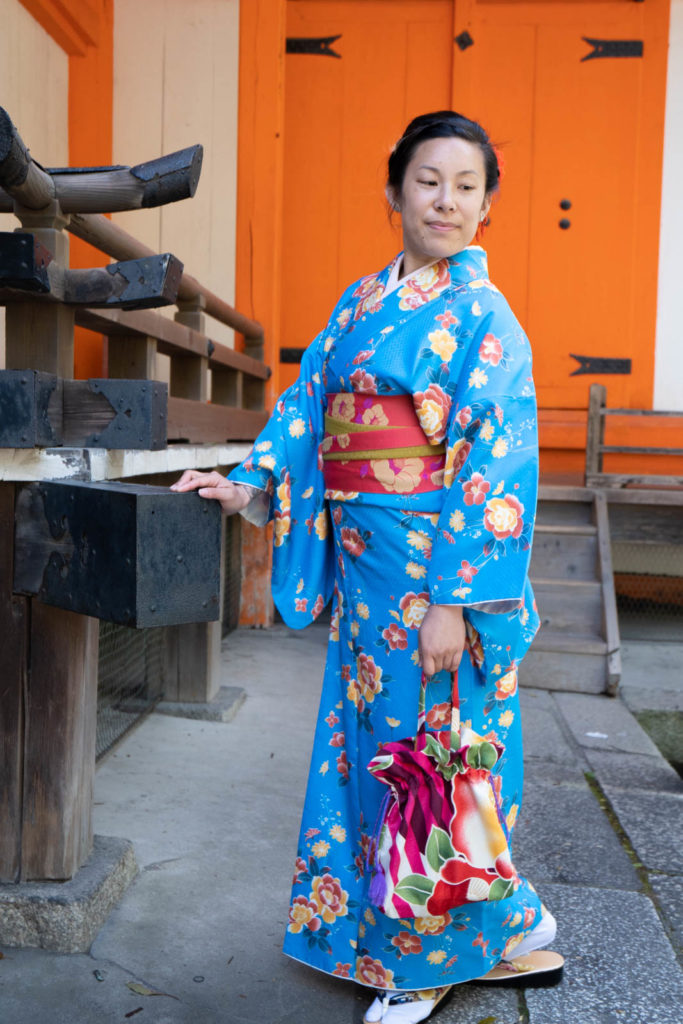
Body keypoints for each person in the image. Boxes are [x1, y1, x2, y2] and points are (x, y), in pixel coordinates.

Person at [172, 111, 562, 1024]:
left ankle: (427, 960)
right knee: (382, 746)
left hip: (431, 572)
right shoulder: (360, 302)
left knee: (432, 751)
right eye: (428, 181)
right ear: (394, 191)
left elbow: (496, 466)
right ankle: (497, 915)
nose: (446, 201)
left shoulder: (485, 317)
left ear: (486, 206)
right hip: (365, 570)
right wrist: (248, 481)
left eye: (466, 186)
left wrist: (453, 602)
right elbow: (308, 405)